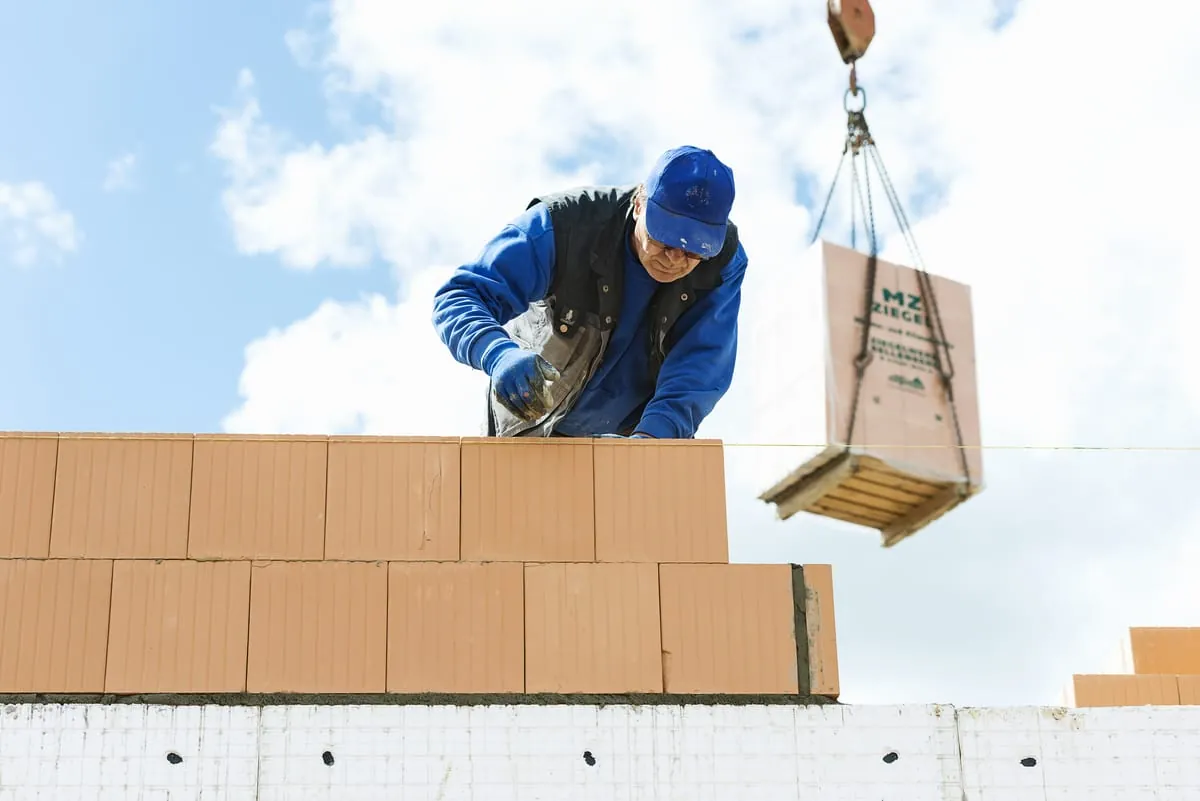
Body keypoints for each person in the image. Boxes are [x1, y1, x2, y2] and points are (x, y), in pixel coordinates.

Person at [431, 145, 748, 439]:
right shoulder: (563, 227)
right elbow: (460, 296)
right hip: (528, 426)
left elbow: (699, 369)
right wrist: (497, 354)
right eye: (664, 240)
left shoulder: (723, 266)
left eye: (695, 251)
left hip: (628, 437)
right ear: (640, 203)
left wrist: (653, 441)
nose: (675, 259)